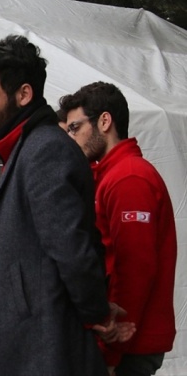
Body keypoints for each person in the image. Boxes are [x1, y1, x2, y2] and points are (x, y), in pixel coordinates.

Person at [0, 35, 132, 375]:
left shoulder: (45, 150)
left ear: (24, 94)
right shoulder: (28, 148)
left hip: (41, 352)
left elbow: (73, 251)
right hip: (30, 347)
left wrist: (96, 313)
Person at [59, 81, 177, 376]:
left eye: (75, 128)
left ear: (104, 120)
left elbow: (134, 269)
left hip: (129, 345)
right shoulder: (111, 175)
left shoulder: (129, 178)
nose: (71, 138)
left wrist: (112, 351)